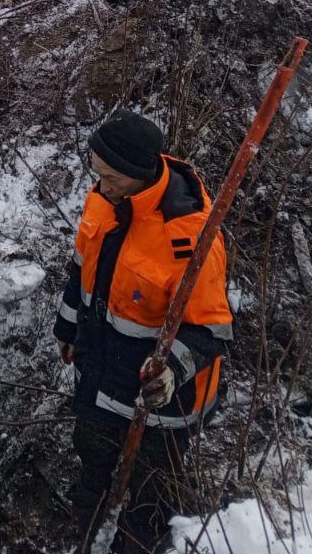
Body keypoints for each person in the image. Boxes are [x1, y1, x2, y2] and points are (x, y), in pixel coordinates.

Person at [54, 109, 232, 553]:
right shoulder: (106, 198)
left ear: (137, 174)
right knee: (91, 453)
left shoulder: (188, 239)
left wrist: (171, 369)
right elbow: (81, 270)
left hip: (161, 407)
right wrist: (68, 327)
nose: (99, 184)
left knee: (152, 495)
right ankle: (88, 523)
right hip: (99, 376)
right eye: (97, 173)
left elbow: (213, 329)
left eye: (109, 176)